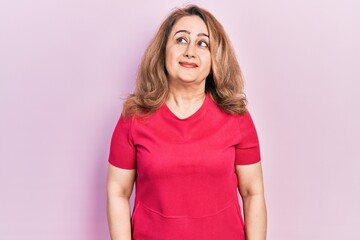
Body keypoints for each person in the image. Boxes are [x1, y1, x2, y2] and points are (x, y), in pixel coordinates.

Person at [107, 4, 267, 240]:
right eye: (181, 40)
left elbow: (252, 192)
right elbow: (117, 191)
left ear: (215, 58)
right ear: (163, 51)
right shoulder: (134, 116)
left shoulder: (237, 116)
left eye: (203, 43)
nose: (190, 51)